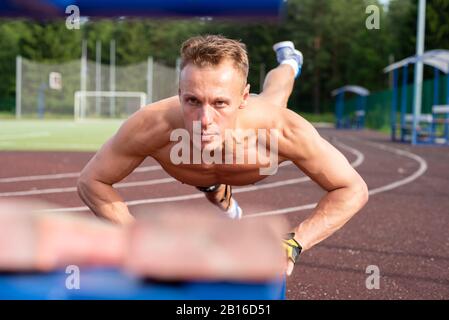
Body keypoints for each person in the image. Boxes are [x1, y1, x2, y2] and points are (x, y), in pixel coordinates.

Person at [77, 35, 369, 275]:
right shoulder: (151, 125)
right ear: (179, 93)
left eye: (219, 103)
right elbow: (92, 181)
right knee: (214, 190)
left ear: (243, 98)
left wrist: (294, 242)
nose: (205, 119)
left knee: (276, 94)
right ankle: (222, 197)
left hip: (251, 141)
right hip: (205, 172)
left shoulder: (282, 129)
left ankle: (291, 62)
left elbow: (352, 189)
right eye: (192, 100)